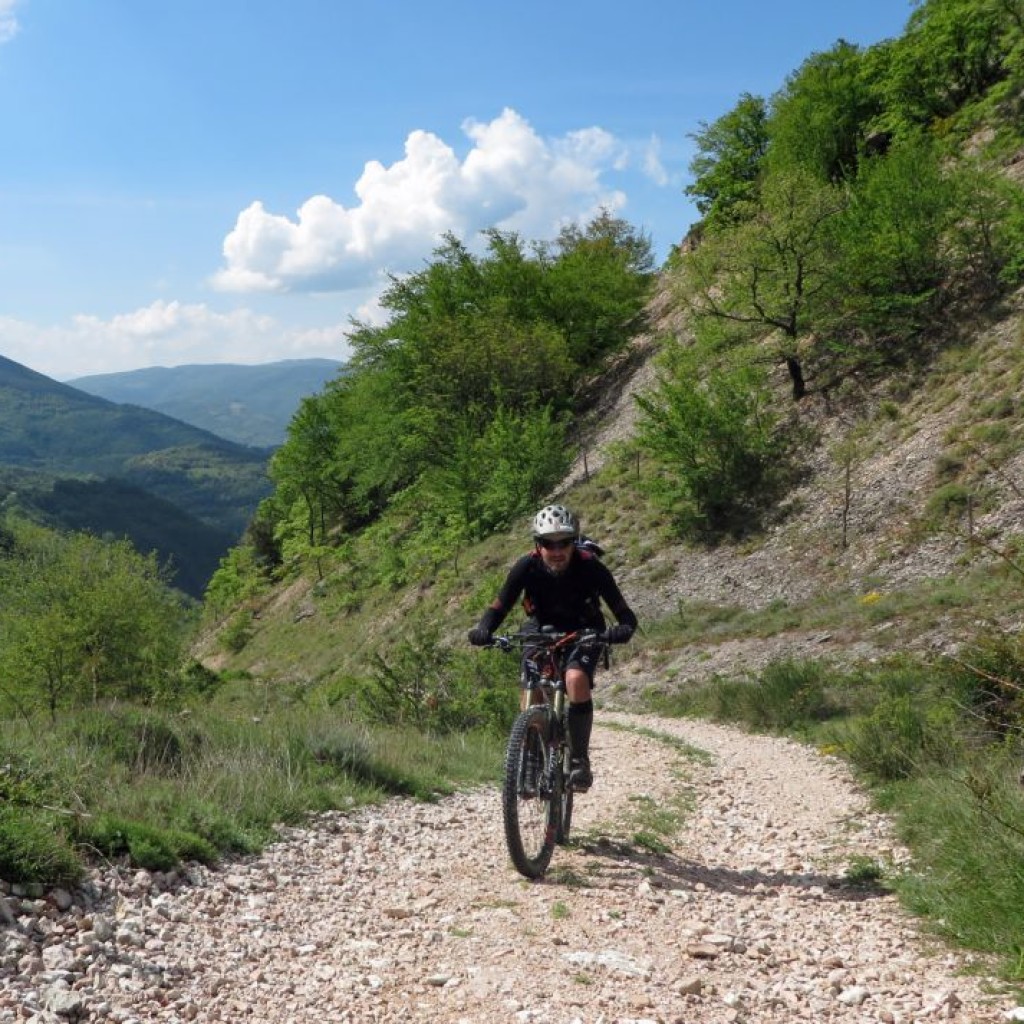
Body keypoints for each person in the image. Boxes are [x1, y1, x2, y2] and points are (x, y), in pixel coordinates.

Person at [468, 503, 638, 792]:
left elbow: (625, 614)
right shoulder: (526, 567)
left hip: (584, 630)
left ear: (574, 543)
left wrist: (619, 631)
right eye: (549, 543)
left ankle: (579, 761)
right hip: (541, 628)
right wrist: (484, 629)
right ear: (538, 544)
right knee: (532, 689)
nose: (556, 550)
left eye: (564, 543)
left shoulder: (591, 567)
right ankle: (532, 757)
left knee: (574, 679)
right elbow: (499, 605)